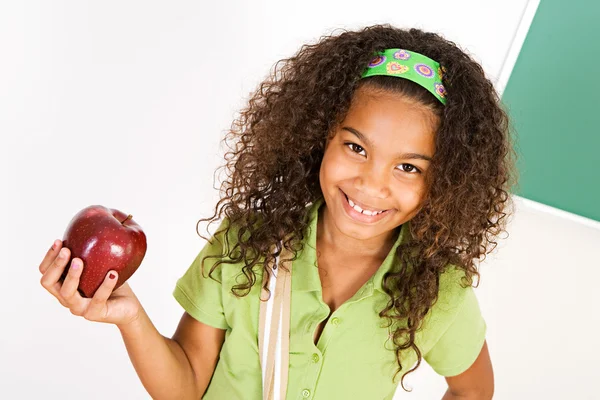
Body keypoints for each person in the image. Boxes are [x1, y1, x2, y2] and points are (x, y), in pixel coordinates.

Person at [39, 24, 516, 400]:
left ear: (446, 182)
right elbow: (184, 387)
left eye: (408, 167)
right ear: (320, 138)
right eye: (355, 146)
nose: (372, 184)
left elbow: (474, 389)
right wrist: (129, 316)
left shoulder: (436, 289)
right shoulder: (246, 242)